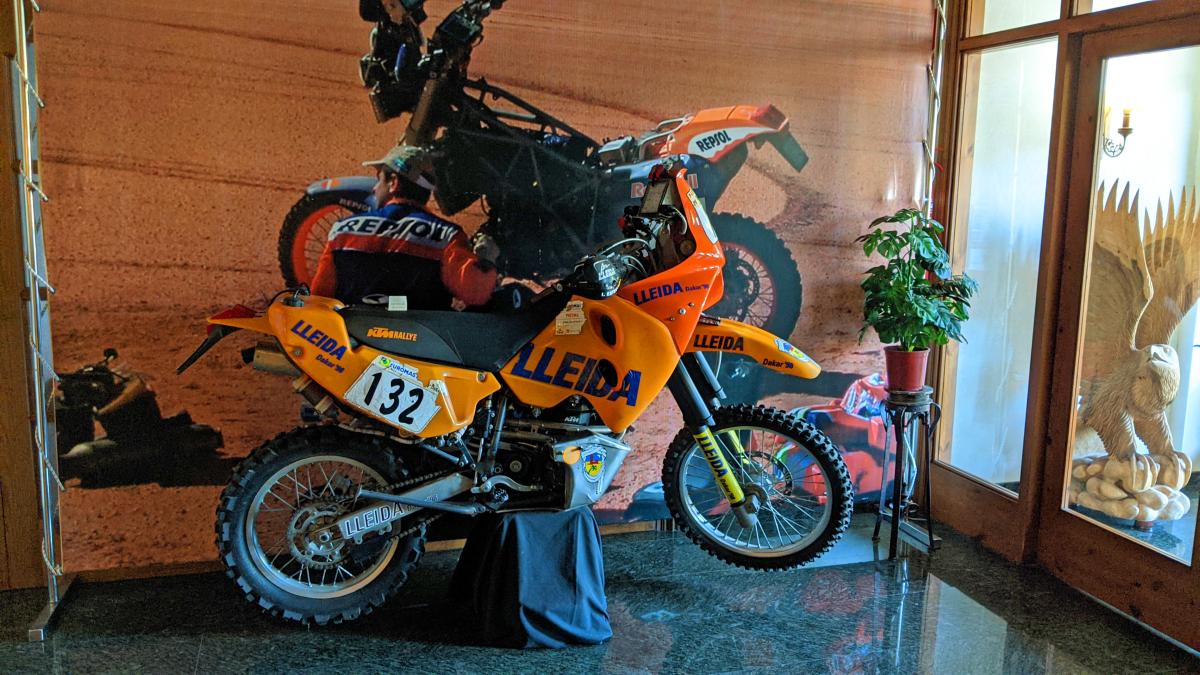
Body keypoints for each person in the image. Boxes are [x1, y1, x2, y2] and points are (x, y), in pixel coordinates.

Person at [310, 145, 499, 309]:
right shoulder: (448, 236)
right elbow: (476, 294)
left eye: (379, 179)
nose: (375, 188)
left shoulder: (342, 230)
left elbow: (319, 298)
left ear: (393, 182)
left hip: (352, 335)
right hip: (417, 337)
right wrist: (486, 259)